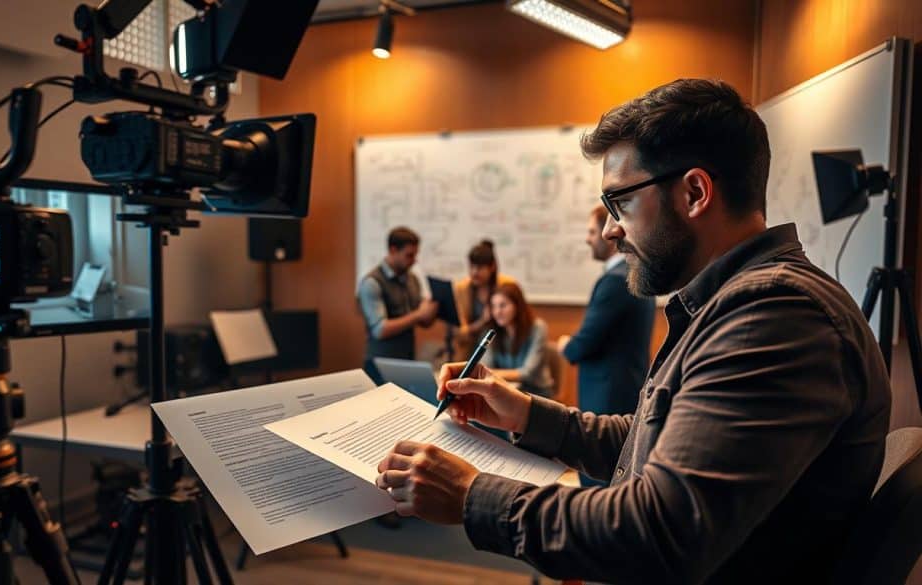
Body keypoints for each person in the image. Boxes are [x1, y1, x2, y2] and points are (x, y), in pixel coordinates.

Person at [374, 79, 891, 584]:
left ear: (694, 193)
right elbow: (653, 437)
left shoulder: (773, 317)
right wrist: (525, 413)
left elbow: (658, 534)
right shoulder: (735, 304)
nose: (608, 230)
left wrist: (469, 494)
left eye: (620, 202)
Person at [557, 205, 655, 415]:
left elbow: (584, 343)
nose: (588, 239)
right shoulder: (634, 274)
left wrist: (566, 344)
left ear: (610, 235)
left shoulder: (615, 281)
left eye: (592, 232)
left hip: (608, 398)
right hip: (625, 390)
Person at [357, 226, 439, 383]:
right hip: (380, 366)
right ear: (393, 250)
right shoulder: (371, 282)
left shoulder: (412, 279)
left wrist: (433, 309)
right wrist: (418, 314)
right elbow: (380, 330)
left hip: (407, 361)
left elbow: (423, 322)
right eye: (409, 255)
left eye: (415, 255)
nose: (414, 260)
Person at [480, 282, 554, 399]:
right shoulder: (493, 331)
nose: (497, 312)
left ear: (517, 306)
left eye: (503, 305)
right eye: (493, 306)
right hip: (508, 390)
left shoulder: (538, 328)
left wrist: (491, 373)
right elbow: (484, 365)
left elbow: (527, 373)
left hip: (536, 394)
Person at [452, 240, 516, 361]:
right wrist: (482, 321)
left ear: (492, 267)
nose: (474, 272)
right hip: (468, 352)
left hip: (501, 351)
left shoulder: (506, 286)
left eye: (480, 268)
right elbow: (459, 333)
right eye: (471, 267)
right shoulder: (462, 289)